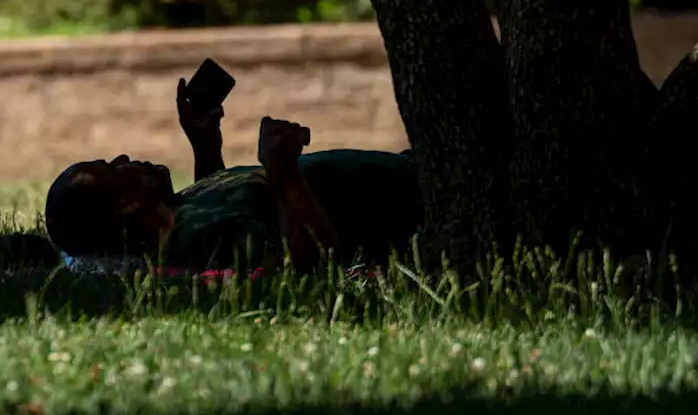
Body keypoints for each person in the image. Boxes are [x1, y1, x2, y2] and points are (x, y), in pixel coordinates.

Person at [43, 77, 423, 272]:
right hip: (422, 194)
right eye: (112, 169)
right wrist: (285, 172)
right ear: (128, 212)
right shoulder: (194, 239)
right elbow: (310, 269)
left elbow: (231, 202)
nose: (123, 156)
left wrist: (205, 147)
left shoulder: (180, 209)